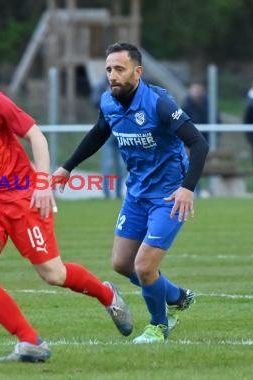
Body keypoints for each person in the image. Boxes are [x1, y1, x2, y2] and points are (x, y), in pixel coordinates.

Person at [0, 47, 133, 362]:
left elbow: (36, 136)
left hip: (22, 199)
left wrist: (43, 183)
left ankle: (107, 295)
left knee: (53, 274)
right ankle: (30, 341)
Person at [53, 42, 209, 343]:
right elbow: (99, 132)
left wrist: (187, 189)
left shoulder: (159, 104)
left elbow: (199, 144)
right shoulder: (109, 102)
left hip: (168, 196)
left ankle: (159, 326)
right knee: (122, 264)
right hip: (137, 194)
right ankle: (177, 296)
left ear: (137, 72)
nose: (112, 75)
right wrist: (67, 167)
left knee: (144, 266)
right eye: (109, 69)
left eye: (119, 69)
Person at [91, 78, 125, 198]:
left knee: (118, 163)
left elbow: (95, 101)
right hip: (110, 128)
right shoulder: (105, 84)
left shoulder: (103, 84)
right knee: (111, 162)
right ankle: (108, 192)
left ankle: (117, 192)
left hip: (119, 129)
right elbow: (95, 101)